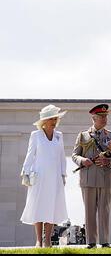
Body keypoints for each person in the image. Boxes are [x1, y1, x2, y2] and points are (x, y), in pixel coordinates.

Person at [20, 104, 69, 248]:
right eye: (52, 118)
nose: (54, 121)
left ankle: (47, 240)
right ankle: (38, 240)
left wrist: (63, 175)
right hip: (39, 177)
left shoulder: (59, 136)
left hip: (54, 178)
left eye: (56, 118)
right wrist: (25, 172)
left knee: (51, 207)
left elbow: (61, 157)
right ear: (45, 120)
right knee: (38, 206)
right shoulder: (35, 135)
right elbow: (30, 155)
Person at [72, 104, 111, 249]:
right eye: (101, 116)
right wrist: (82, 160)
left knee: (104, 211)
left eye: (106, 116)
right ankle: (91, 242)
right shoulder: (83, 135)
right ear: (94, 118)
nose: (105, 119)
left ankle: (104, 242)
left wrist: (108, 160)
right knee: (89, 211)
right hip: (88, 178)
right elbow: (75, 155)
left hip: (104, 178)